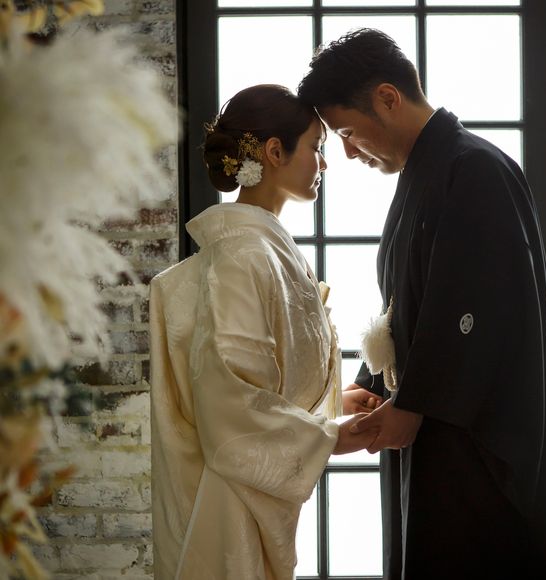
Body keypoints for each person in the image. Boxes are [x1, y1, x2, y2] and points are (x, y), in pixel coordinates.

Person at [298, 28, 546, 580]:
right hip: (438, 423)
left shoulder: (475, 168)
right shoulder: (424, 174)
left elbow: (478, 309)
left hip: (478, 438)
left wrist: (412, 403)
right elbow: (407, 309)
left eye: (348, 133)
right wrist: (374, 386)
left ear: (387, 97)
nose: (348, 152)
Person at [149, 84, 381, 580]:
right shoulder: (245, 255)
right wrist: (330, 437)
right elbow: (229, 398)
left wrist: (335, 402)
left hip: (250, 487)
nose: (324, 163)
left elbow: (267, 381)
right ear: (275, 152)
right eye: (316, 147)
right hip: (232, 497)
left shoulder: (258, 249)